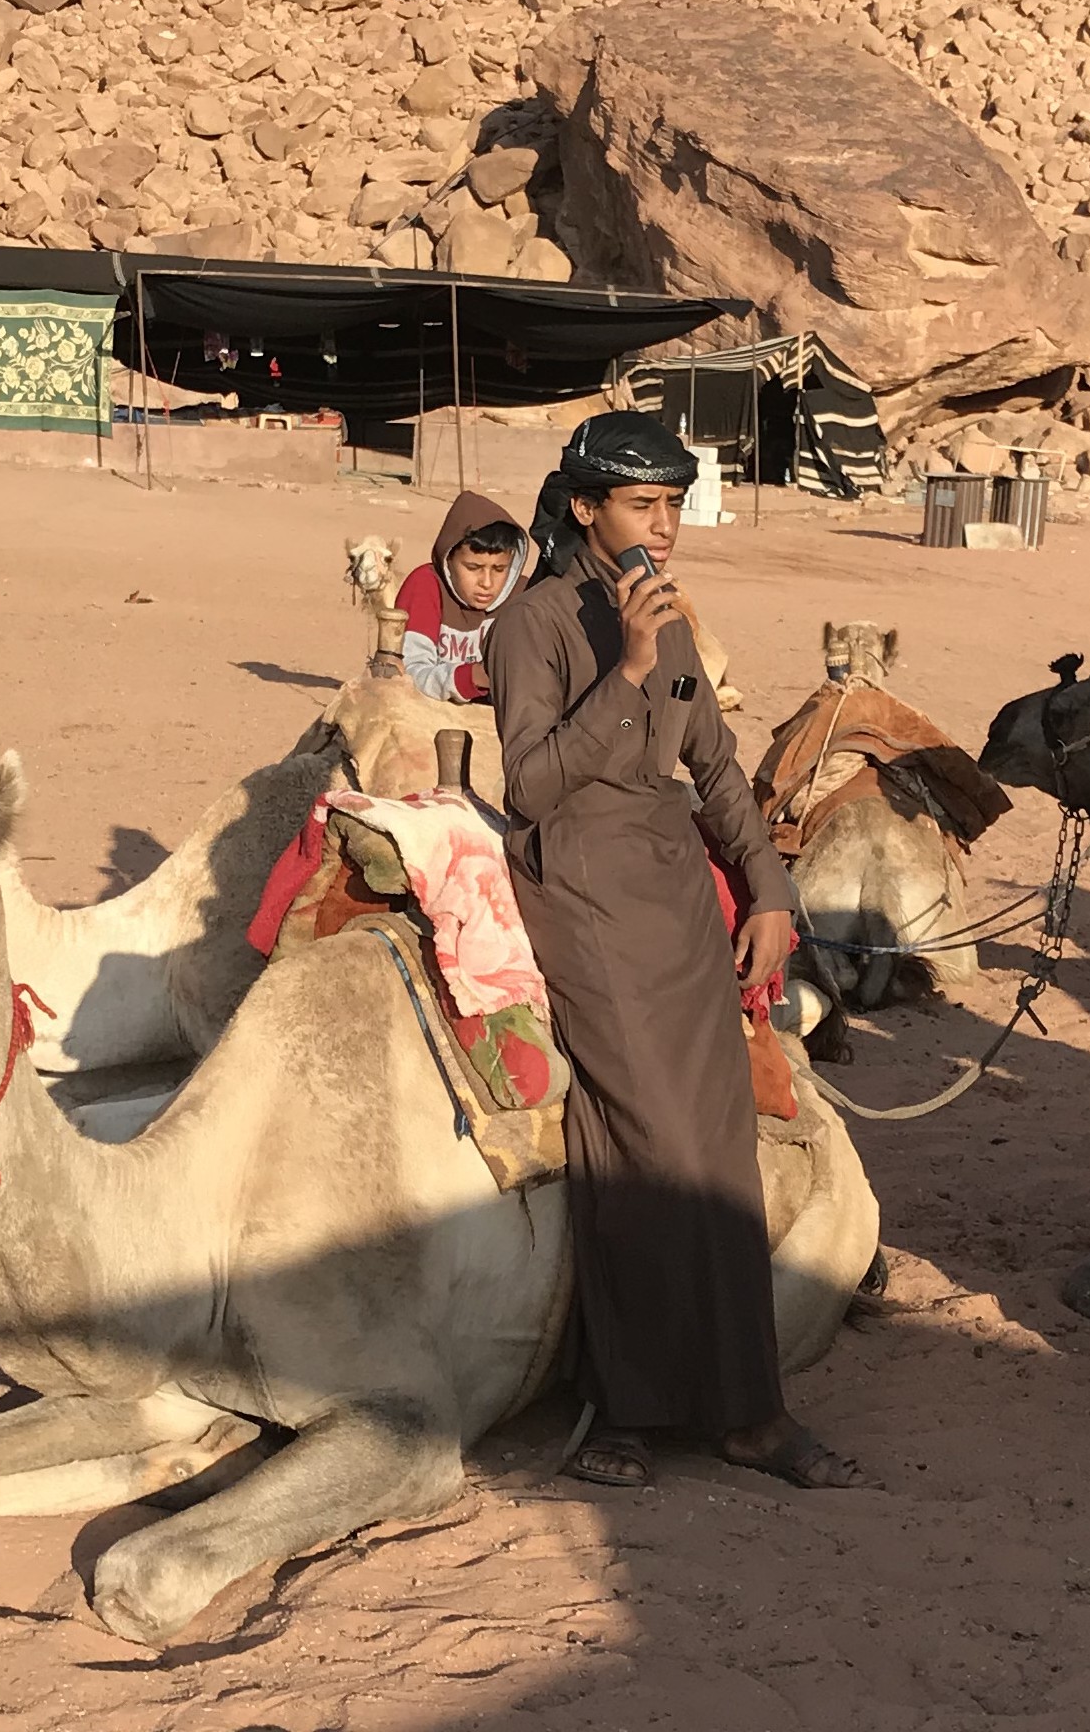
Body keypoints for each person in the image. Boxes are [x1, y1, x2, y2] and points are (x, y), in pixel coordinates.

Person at [482, 411, 861, 1491]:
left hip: (673, 895)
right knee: (645, 1133)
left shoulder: (675, 625)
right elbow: (533, 786)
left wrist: (770, 888)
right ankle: (626, 1406)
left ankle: (751, 1411)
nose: (665, 526)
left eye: (672, 504)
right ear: (586, 505)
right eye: (644, 505)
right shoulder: (534, 627)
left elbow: (718, 768)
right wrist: (631, 665)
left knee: (719, 1148)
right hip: (582, 888)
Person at [394, 491, 531, 704]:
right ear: (448, 559)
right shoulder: (425, 586)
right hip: (429, 716)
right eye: (473, 567)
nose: (486, 582)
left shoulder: (525, 595)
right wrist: (472, 677)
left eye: (499, 569)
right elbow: (409, 675)